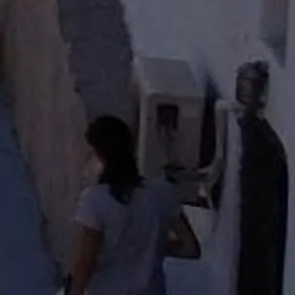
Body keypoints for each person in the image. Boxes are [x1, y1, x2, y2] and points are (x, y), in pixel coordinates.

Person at [67, 114, 199, 295]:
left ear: (100, 154)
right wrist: (152, 248)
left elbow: (86, 263)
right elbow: (190, 248)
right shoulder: (162, 191)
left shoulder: (94, 200)